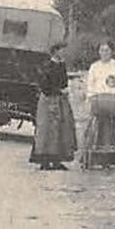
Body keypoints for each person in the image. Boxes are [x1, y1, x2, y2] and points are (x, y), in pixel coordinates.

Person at [31, 40, 76, 171]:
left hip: (60, 100)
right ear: (55, 51)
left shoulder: (62, 65)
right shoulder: (47, 65)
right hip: (48, 100)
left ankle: (57, 160)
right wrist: (57, 91)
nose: (63, 52)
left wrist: (64, 90)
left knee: (61, 129)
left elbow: (64, 82)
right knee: (47, 130)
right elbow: (44, 85)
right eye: (61, 50)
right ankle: (44, 161)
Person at [83, 41, 115, 169]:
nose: (104, 53)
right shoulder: (94, 67)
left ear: (112, 52)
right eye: (102, 50)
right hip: (98, 99)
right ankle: (91, 151)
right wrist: (90, 97)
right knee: (94, 121)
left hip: (113, 99)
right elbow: (90, 85)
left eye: (107, 50)